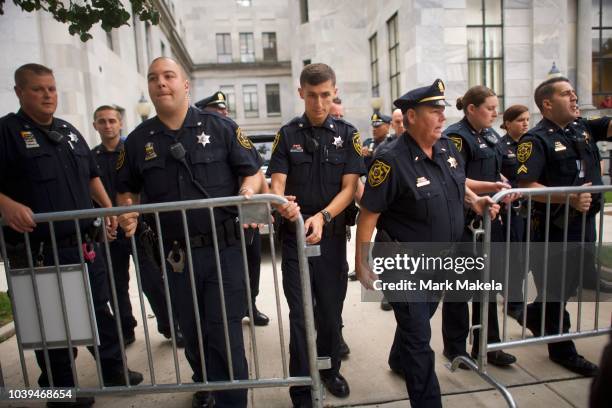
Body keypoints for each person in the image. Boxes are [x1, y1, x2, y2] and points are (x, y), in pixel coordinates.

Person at [116, 57, 266, 408]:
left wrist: (247, 191)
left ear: (186, 85)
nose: (161, 83)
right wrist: (128, 211)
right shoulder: (138, 141)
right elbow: (126, 189)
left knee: (224, 333)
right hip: (176, 257)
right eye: (154, 78)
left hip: (224, 252)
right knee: (194, 335)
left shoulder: (220, 128)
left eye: (169, 76)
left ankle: (232, 402)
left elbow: (252, 171)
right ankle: (207, 384)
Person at [0, 63, 143, 408]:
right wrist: (5, 204)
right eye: (38, 89)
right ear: (19, 92)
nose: (48, 95)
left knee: (98, 313)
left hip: (82, 246)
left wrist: (107, 211)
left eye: (51, 88)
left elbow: (91, 176)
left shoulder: (69, 132)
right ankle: (61, 392)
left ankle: (114, 372)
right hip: (39, 253)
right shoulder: (6, 131)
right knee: (52, 328)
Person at [355, 79, 499, 408]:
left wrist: (475, 201)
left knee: (415, 322)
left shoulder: (446, 148)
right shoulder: (389, 159)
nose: (442, 117)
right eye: (434, 111)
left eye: (442, 111)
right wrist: (361, 263)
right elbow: (369, 214)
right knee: (421, 340)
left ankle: (398, 359)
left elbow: (456, 183)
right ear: (411, 116)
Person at [268, 63, 365, 406]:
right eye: (312, 96)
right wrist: (282, 202)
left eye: (326, 95)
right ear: (301, 94)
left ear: (334, 91)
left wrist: (323, 217)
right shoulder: (287, 134)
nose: (320, 103)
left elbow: (350, 186)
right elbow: (277, 181)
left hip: (333, 236)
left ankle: (329, 368)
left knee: (329, 310)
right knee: (300, 313)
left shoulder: (349, 133)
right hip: (295, 237)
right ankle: (301, 385)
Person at [515, 76, 611, 376]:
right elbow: (526, 184)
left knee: (571, 283)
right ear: (547, 103)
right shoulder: (535, 140)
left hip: (584, 224)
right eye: (566, 94)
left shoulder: (581, 128)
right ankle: (562, 350)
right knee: (556, 289)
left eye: (573, 93)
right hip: (553, 229)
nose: (574, 98)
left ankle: (530, 314)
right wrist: (568, 198)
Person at [92, 105, 184, 346]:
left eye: (112, 120)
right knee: (116, 282)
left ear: (120, 122)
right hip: (110, 231)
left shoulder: (135, 150)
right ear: (95, 126)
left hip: (140, 227)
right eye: (102, 121)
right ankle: (125, 329)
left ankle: (170, 326)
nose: (108, 125)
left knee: (153, 279)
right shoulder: (92, 158)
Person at [442, 85, 518, 367]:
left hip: (490, 220)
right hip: (465, 222)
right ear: (471, 109)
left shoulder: (489, 133)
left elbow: (493, 167)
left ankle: (489, 345)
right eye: (489, 108)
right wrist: (492, 187)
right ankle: (456, 348)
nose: (495, 113)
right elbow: (456, 178)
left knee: (488, 284)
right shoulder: (456, 138)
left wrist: (503, 185)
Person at [196, 90, 270, 326]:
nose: (224, 113)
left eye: (225, 110)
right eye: (218, 111)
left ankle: (252, 304)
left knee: (253, 261)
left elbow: (256, 171)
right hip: (221, 220)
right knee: (228, 270)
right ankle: (232, 311)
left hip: (247, 212)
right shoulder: (200, 143)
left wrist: (264, 205)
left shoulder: (236, 135)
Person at [498, 104, 530, 319]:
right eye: (520, 120)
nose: (525, 123)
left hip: (531, 209)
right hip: (510, 209)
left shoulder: (532, 144)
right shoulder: (500, 147)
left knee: (527, 257)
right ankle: (513, 301)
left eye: (527, 119)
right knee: (515, 258)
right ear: (508, 124)